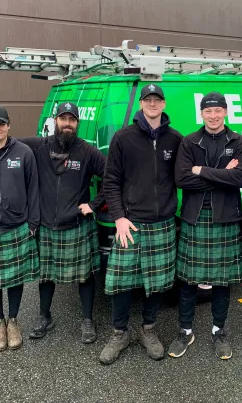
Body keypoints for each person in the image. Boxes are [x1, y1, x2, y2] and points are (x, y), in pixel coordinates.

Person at [99, 83, 182, 365]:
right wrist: (119, 217)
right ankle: (120, 333)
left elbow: (183, 176)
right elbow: (111, 181)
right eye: (148, 99)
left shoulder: (175, 139)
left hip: (162, 224)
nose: (152, 103)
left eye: (157, 99)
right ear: (142, 103)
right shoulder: (123, 138)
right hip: (130, 224)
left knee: (157, 284)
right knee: (121, 283)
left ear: (164, 103)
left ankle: (148, 329)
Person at [168, 91, 242, 360]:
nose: (213, 116)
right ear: (201, 113)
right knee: (188, 281)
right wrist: (222, 174)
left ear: (225, 112)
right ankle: (185, 331)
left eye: (218, 111)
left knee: (222, 282)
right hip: (194, 217)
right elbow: (181, 179)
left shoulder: (239, 142)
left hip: (225, 217)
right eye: (208, 111)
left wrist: (200, 170)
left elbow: (239, 178)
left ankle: (219, 331)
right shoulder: (190, 141)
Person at [20, 102, 106, 344]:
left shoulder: (87, 152)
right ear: (55, 121)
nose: (67, 123)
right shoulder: (39, 146)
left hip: (77, 225)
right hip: (47, 225)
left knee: (85, 276)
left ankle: (87, 320)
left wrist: (95, 204)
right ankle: (44, 317)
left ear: (77, 123)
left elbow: (113, 175)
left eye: (72, 119)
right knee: (46, 276)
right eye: (63, 118)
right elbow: (9, 146)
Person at [0, 107, 40, 351]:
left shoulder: (23, 153)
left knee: (15, 278)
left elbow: (33, 189)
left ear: (9, 126)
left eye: (2, 124)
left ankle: (13, 321)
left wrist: (33, 224)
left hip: (17, 226)